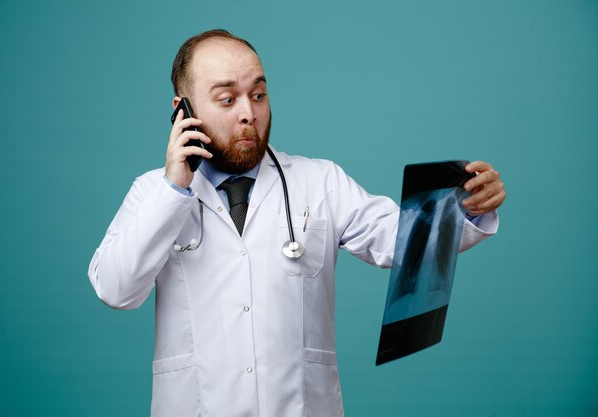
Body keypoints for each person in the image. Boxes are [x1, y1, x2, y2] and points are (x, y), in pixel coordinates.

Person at [88, 29, 506, 417]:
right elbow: (116, 289)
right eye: (227, 99)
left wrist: (466, 206)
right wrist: (175, 188)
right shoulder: (153, 192)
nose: (249, 113)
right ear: (183, 109)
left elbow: (401, 241)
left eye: (259, 94)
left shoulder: (319, 181)